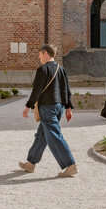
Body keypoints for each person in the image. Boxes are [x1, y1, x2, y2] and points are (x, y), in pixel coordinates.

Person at [19, 44, 77, 178]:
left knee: (54, 136)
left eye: (40, 54)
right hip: (59, 107)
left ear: (45, 53)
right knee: (41, 135)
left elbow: (36, 91)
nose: (39, 57)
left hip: (47, 108)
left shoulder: (42, 69)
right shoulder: (61, 69)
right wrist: (68, 108)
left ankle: (70, 165)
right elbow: (66, 91)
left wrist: (28, 107)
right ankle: (31, 163)